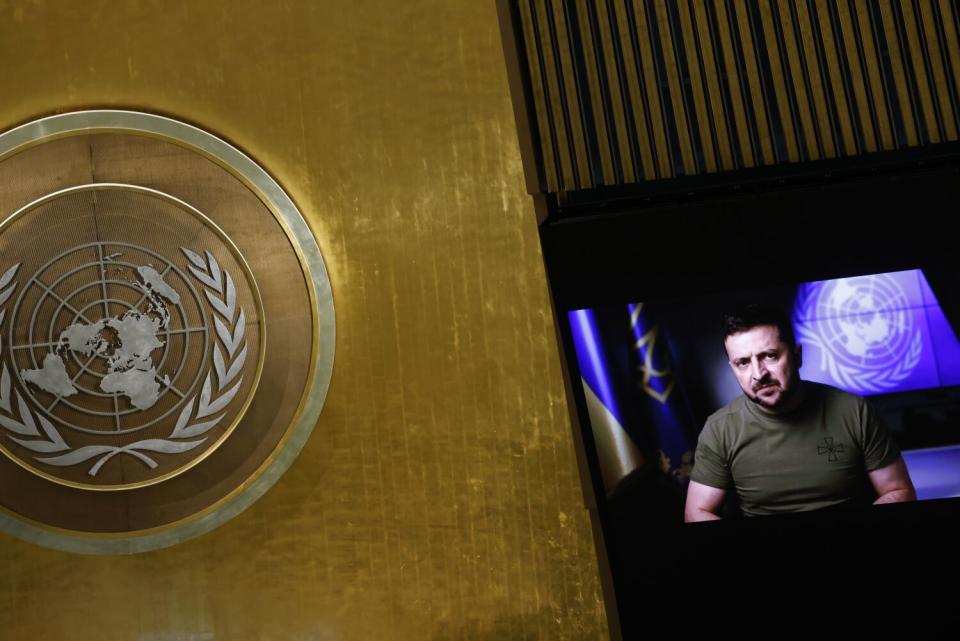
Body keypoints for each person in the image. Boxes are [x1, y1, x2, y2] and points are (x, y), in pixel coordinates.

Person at [684, 303, 916, 522]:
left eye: (770, 356)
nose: (758, 374)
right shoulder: (719, 429)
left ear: (797, 355)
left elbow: (900, 491)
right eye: (743, 362)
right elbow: (696, 512)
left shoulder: (855, 411)